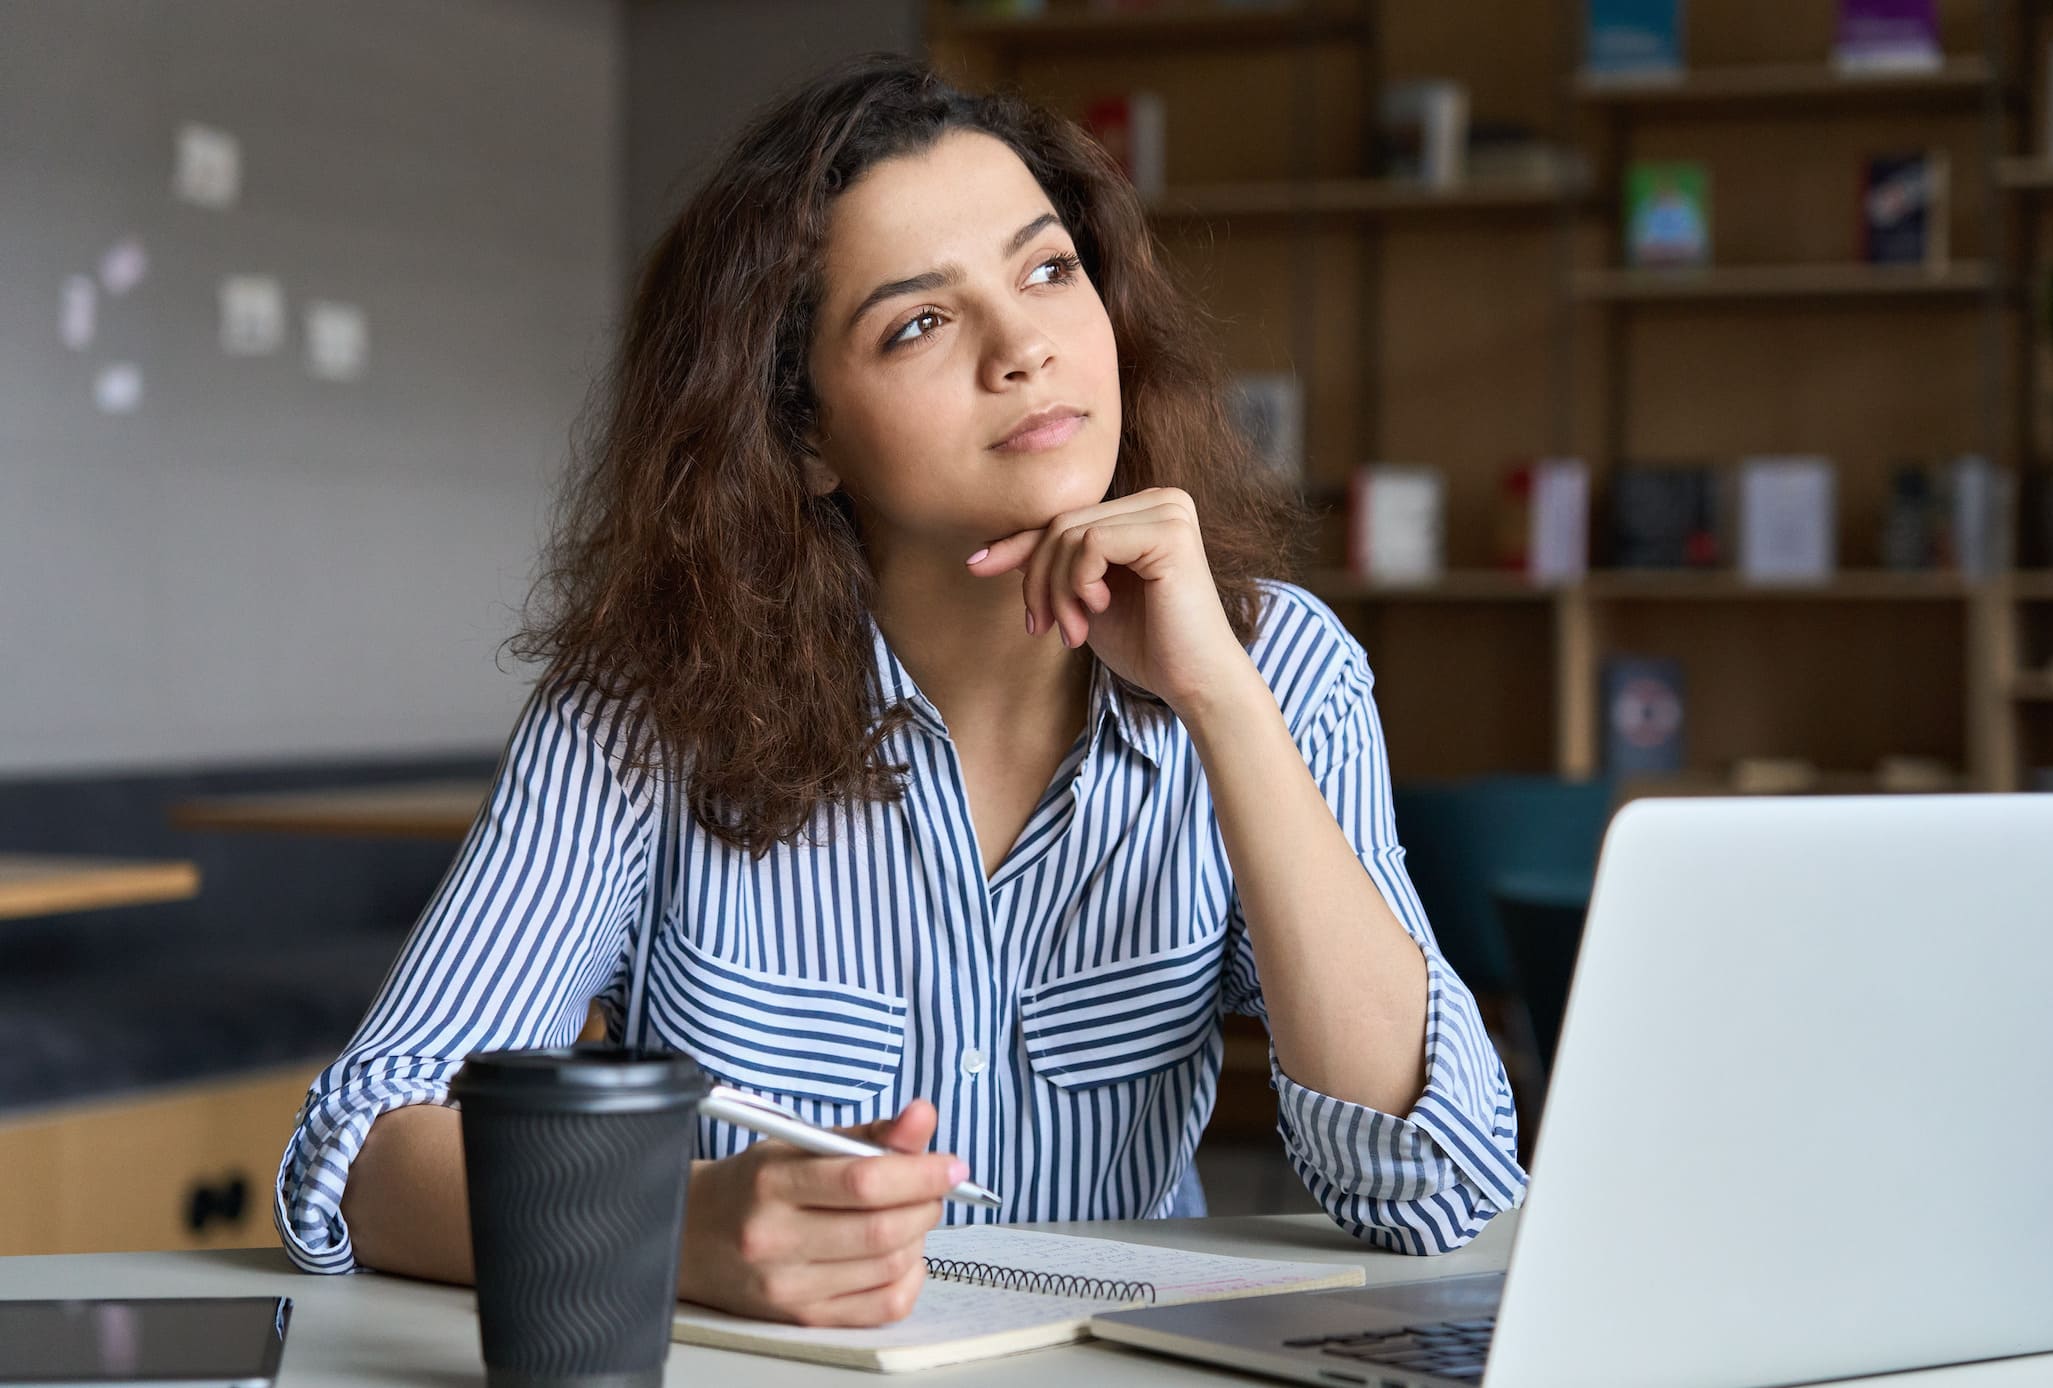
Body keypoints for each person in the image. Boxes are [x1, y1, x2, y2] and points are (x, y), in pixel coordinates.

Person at [273, 51, 1527, 1329]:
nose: (1025, 347)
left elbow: (1434, 1186)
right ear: (804, 434)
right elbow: (366, 1153)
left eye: (1048, 270)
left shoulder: (1279, 670)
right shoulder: (645, 712)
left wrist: (1219, 698)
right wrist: (674, 1227)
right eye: (919, 321)